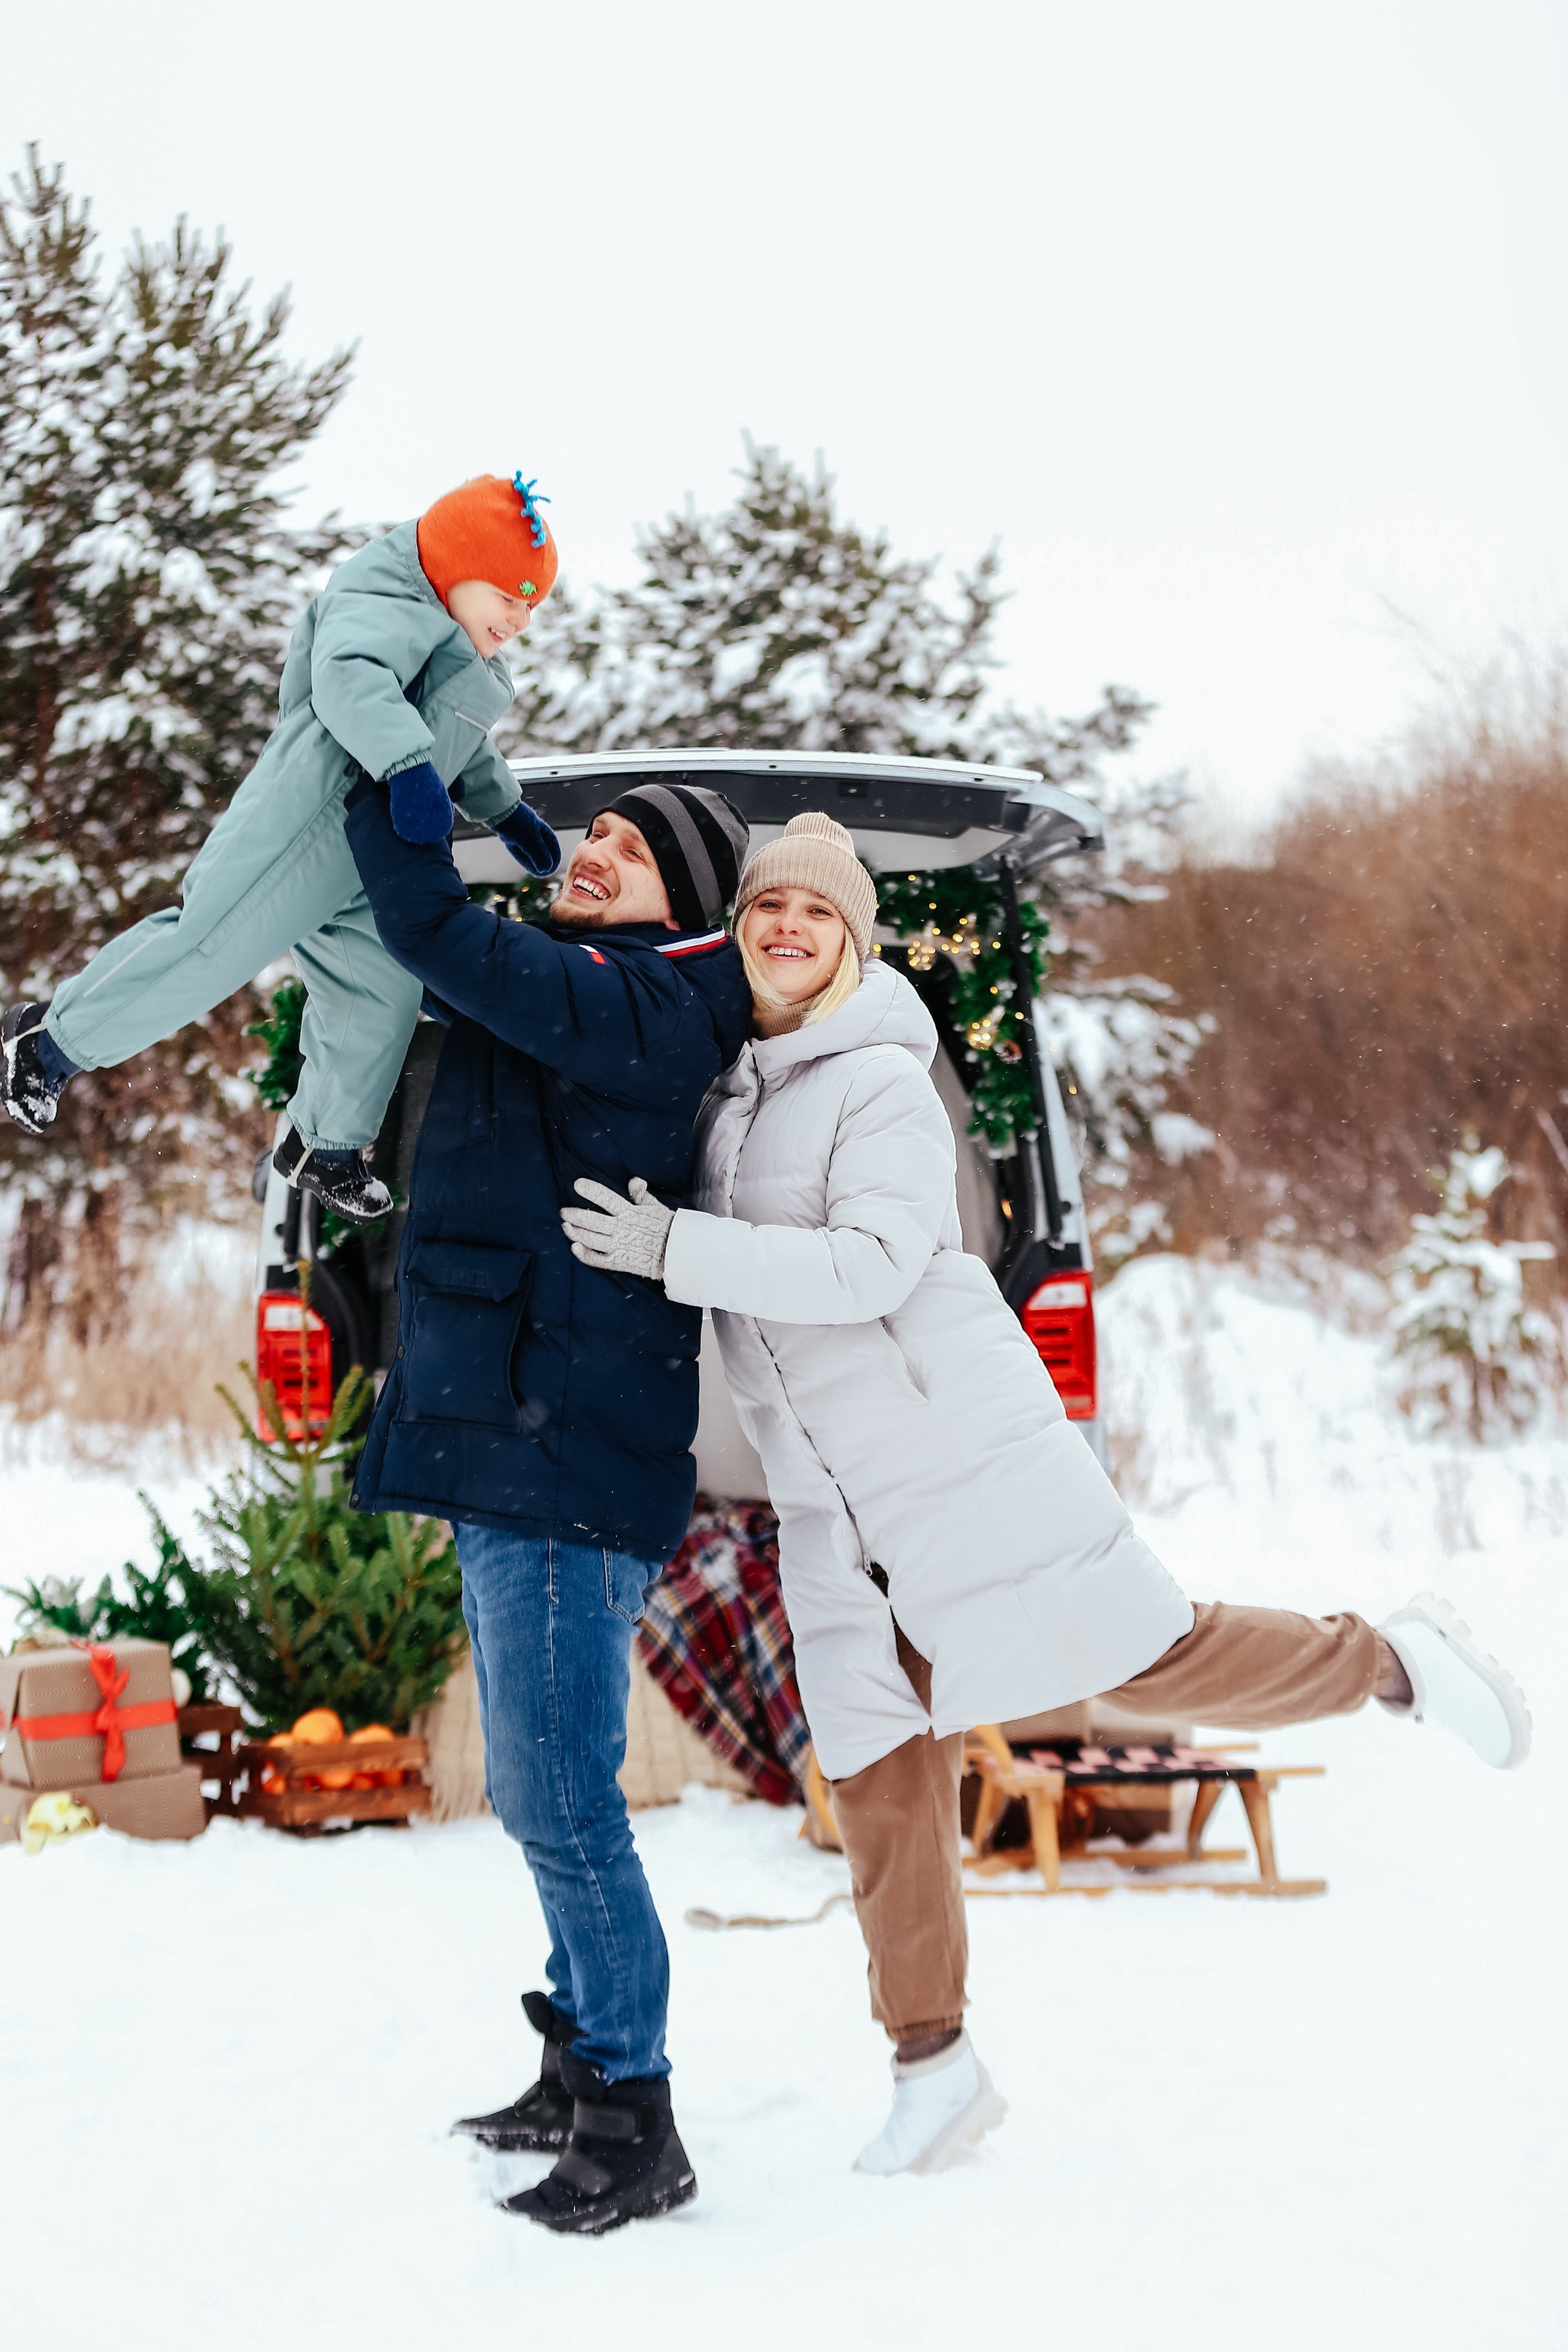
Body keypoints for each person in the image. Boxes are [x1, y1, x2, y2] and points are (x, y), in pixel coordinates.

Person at [561, 809, 1533, 2180]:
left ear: (851, 943)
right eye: (769, 908)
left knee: (1146, 1654)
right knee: (878, 1779)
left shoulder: (881, 1081)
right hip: (830, 1510)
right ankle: (934, 2066)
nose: (787, 928)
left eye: (818, 915)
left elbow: (871, 1266)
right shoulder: (731, 1094)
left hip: (950, 1462)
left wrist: (677, 1249)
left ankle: (1386, 1660)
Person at [344, 772, 752, 2235]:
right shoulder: (606, 984)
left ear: (684, 903)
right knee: (538, 1789)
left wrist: (371, 782)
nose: (590, 854)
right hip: (516, 1428)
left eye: (629, 851)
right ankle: (578, 2063)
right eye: (592, 833)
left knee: (564, 1792)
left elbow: (432, 929)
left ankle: (635, 2117)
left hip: (568, 1450)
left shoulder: (653, 1004)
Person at [1, 473, 563, 1224]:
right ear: (457, 571)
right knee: (209, 947)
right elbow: (348, 681)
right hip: (302, 824)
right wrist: (404, 767)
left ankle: (321, 1143)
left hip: (370, 858)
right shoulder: (387, 609)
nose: (521, 619)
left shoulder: (462, 656)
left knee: (380, 994)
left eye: (533, 606)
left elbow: (461, 746)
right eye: (510, 596)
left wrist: (506, 810)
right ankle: (47, 1041)